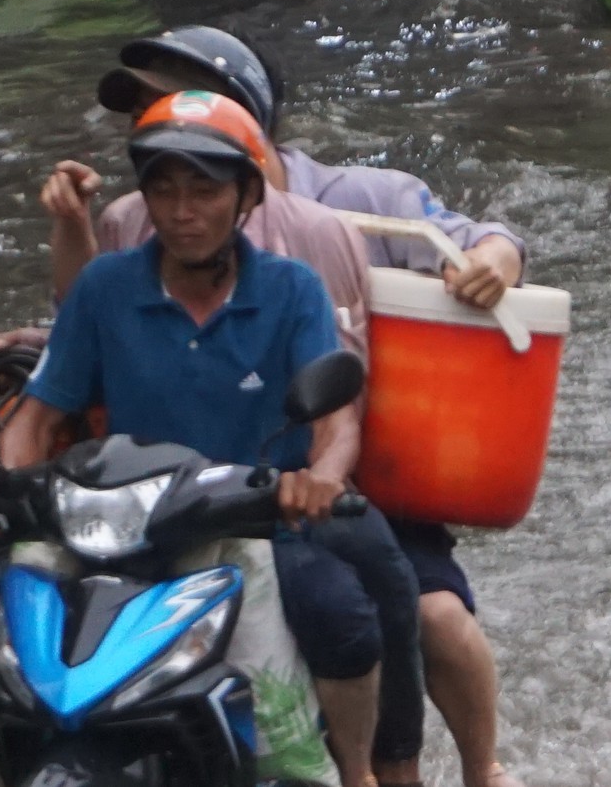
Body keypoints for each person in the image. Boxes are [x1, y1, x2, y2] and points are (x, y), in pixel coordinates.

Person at [70, 26, 529, 787]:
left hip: (350, 475)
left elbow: (476, 240)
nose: (158, 126)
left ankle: (468, 770)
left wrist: (495, 259)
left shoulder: (357, 203)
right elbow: (99, 333)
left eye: (178, 105)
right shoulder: (136, 221)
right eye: (145, 117)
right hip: (193, 486)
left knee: (430, 616)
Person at [39, 91, 425, 787]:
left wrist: (322, 478)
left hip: (261, 514)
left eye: (203, 191)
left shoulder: (293, 289)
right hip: (128, 525)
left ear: (246, 196)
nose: (182, 211)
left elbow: (336, 423)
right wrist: (9, 481)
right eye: (164, 191)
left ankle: (369, 773)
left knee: (350, 608)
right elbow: (38, 415)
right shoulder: (104, 285)